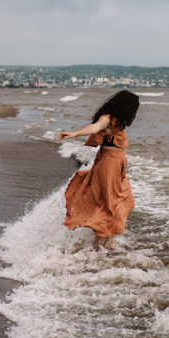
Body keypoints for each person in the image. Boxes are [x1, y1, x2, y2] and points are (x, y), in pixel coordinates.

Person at [58, 90, 140, 251]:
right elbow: (94, 128)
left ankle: (108, 238)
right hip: (109, 165)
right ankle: (101, 244)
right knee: (108, 204)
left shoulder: (116, 121)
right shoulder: (107, 118)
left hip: (117, 166)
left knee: (126, 200)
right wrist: (74, 134)